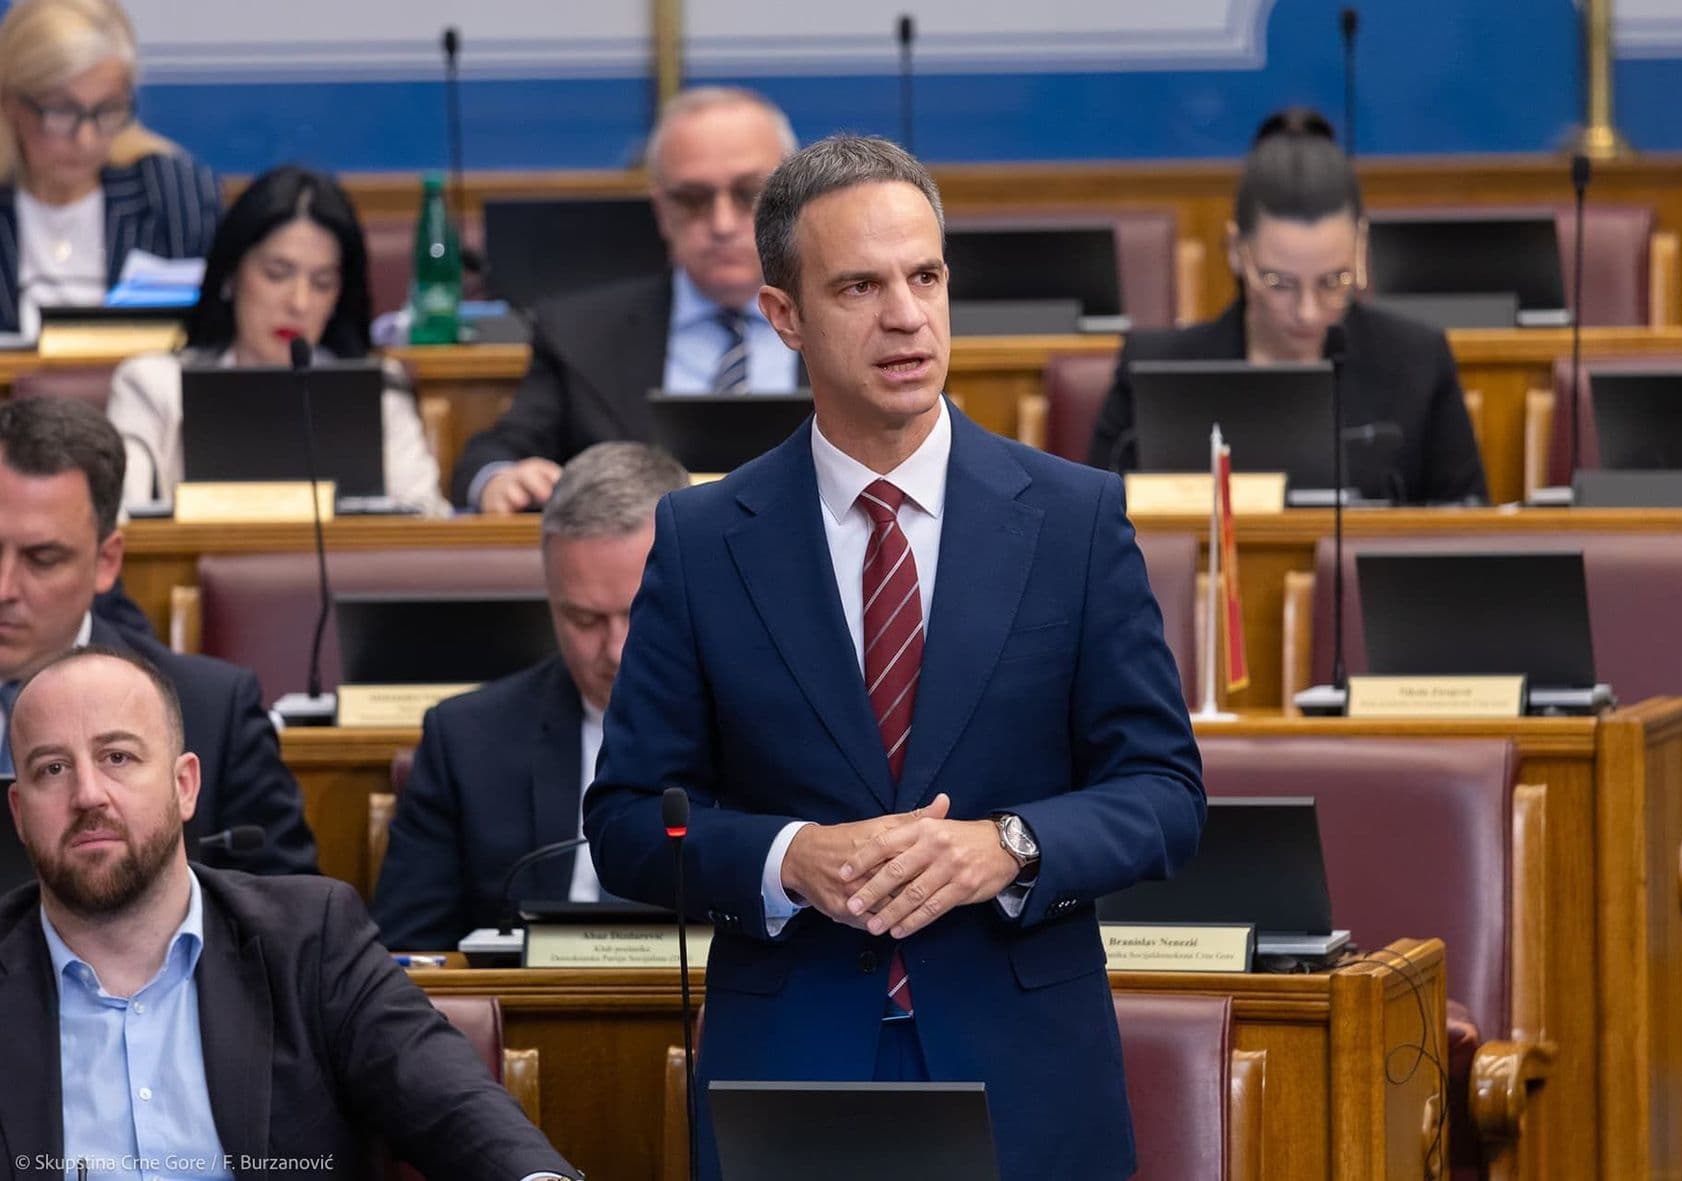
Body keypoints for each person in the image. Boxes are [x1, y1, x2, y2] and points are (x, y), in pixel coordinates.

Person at [585, 136, 1205, 1181]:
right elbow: (627, 822)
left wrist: (1007, 845)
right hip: (790, 1067)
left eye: (925, 277)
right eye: (859, 286)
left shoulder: (1073, 518)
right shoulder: (703, 538)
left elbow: (1164, 794)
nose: (907, 316)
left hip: (1026, 1069)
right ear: (783, 314)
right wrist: (790, 857)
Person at [0, 645, 580, 1180]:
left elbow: (453, 1107)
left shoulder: (310, 941)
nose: (88, 794)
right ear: (20, 813)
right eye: (53, 768)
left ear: (185, 785)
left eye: (118, 757)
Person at [373, 441, 689, 950]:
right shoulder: (467, 741)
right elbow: (409, 955)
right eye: (584, 619)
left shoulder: (766, 727)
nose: (616, 650)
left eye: (639, 612)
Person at [1088, 108, 1488, 504]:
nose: (1308, 311)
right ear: (1236, 251)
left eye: (1333, 281)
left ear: (1361, 246)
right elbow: (1097, 521)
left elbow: (1465, 521)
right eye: (1280, 283)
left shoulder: (1417, 363)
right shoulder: (1152, 370)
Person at [0, 396, 317, 883]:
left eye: (42, 559)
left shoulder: (211, 712)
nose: (4, 589)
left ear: (106, 562)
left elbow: (285, 912)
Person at [452, 86, 800, 513]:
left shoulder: (845, 318)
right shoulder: (580, 333)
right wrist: (500, 478)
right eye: (692, 200)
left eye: (750, 194)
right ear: (661, 210)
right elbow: (492, 455)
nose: (722, 224)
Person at [107, 164, 447, 514]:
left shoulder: (378, 390)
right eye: (277, 274)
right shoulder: (153, 387)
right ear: (231, 276)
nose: (299, 303)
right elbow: (122, 518)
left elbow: (426, 518)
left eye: (322, 283)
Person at [0, 0, 220, 336]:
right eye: (61, 111)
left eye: (107, 110)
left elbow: (209, 342)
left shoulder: (173, 197)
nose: (86, 139)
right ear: (10, 103)